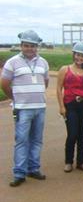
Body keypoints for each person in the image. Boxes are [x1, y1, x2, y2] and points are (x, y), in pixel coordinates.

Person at [1, 30, 49, 187]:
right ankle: (19, 173)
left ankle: (33, 168)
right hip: (22, 109)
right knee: (21, 140)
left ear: (37, 47)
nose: (30, 49)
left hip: (40, 108)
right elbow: (5, 84)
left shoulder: (43, 62)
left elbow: (45, 82)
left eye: (33, 46)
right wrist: (15, 98)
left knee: (36, 139)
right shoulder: (12, 62)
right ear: (21, 46)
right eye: (27, 45)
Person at [56, 42, 83, 173]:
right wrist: (61, 106)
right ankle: (68, 161)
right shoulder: (65, 69)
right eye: (78, 55)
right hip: (70, 105)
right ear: (74, 55)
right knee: (72, 134)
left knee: (82, 134)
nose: (80, 58)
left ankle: (81, 162)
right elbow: (58, 88)